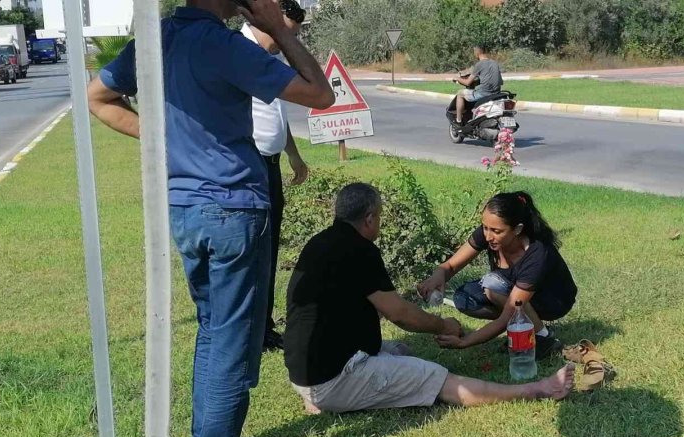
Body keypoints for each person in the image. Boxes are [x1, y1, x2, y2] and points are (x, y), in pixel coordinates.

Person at [87, 0, 334, 437]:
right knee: (231, 338)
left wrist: (164, 140)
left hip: (183, 208)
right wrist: (279, 32)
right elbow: (320, 95)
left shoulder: (157, 40)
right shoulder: (224, 46)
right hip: (233, 207)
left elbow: (98, 97)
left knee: (213, 328)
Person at [284, 183, 575, 414]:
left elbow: (512, 310)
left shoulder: (321, 242)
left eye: (496, 230)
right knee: (439, 378)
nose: (488, 235)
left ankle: (320, 395)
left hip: (304, 370)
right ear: (370, 219)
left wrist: (465, 336)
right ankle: (539, 389)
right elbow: (400, 313)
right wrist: (444, 326)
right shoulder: (360, 250)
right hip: (332, 377)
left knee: (400, 351)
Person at [418, 192, 577, 358]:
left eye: (496, 231)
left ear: (517, 229)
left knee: (492, 286)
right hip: (515, 292)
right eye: (485, 227)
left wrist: (466, 341)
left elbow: (508, 313)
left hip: (554, 300)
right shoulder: (489, 234)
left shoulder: (537, 253)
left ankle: (543, 338)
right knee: (465, 298)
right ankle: (523, 327)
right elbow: (450, 265)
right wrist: (437, 277)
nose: (488, 236)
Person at [241, 15, 310, 351]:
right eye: (285, 32)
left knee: (268, 250)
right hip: (247, 166)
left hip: (271, 164)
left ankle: (263, 327)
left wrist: (293, 154)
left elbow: (275, 114)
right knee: (252, 253)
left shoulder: (267, 59)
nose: (287, 39)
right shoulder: (237, 52)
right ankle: (251, 330)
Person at [453, 44, 503, 125]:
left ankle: (458, 121)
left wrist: (457, 78)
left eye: (474, 52)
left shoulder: (479, 65)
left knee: (460, 94)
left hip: (483, 93)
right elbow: (501, 81)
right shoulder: (494, 63)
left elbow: (467, 82)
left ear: (477, 52)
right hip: (496, 93)